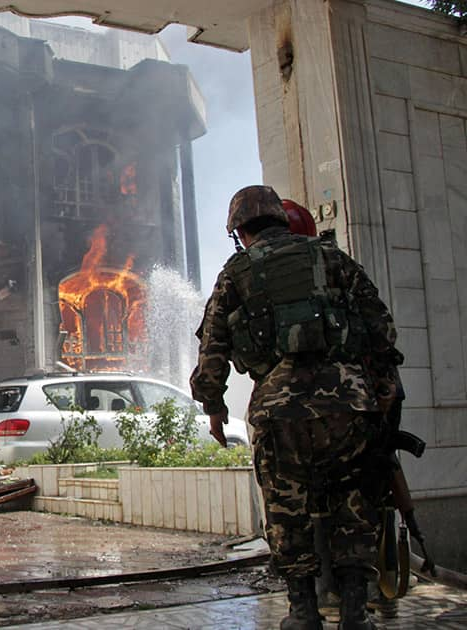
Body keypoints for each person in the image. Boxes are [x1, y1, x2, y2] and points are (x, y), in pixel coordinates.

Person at [190, 185, 403, 630]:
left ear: (240, 232)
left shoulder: (236, 271)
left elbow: (213, 347)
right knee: (353, 507)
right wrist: (382, 381)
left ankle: (303, 610)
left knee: (288, 512)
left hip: (278, 410)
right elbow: (380, 324)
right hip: (349, 405)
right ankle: (355, 611)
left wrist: (213, 408)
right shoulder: (330, 257)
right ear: (281, 220)